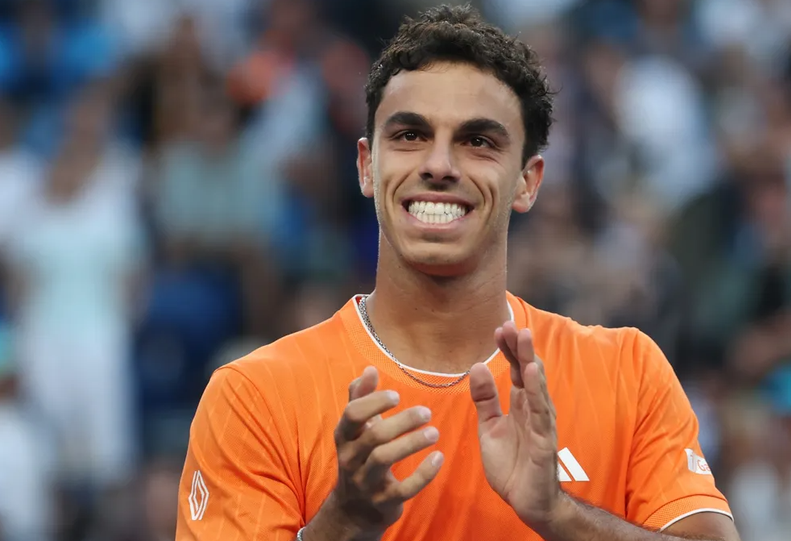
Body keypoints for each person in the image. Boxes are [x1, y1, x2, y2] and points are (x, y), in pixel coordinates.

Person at [175, 5, 739, 541]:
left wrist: (559, 515)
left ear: (528, 181)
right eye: (410, 135)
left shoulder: (626, 373)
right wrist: (342, 523)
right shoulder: (253, 397)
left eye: (477, 141)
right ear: (368, 166)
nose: (439, 165)